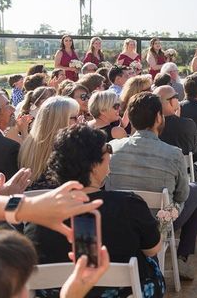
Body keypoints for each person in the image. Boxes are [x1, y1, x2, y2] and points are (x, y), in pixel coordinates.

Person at [25, 123, 165, 297]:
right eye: (107, 148)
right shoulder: (129, 204)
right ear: (93, 165)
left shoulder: (36, 212)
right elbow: (152, 249)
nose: (110, 154)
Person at [106, 93, 197, 281]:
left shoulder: (113, 148)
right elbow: (182, 195)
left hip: (120, 222)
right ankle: (183, 255)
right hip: (157, 224)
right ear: (159, 118)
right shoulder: (174, 154)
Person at [154, 85, 197, 217]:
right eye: (176, 96)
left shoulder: (150, 125)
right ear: (171, 101)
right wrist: (178, 119)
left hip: (156, 174)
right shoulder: (187, 124)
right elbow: (193, 149)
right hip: (183, 176)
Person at [18, 96, 79, 189]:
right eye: (74, 117)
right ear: (60, 121)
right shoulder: (68, 148)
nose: (78, 121)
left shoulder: (28, 145)